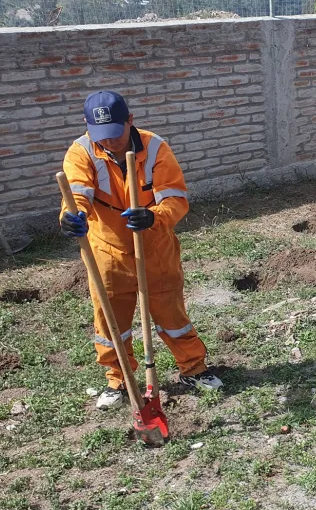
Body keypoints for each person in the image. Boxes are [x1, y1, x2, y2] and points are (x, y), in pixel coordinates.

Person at [60, 91, 223, 410]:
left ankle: (193, 368)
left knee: (172, 316)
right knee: (110, 323)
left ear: (130, 121)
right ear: (87, 126)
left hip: (155, 249)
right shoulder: (81, 152)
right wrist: (71, 217)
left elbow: (176, 200)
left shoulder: (156, 148)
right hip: (106, 253)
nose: (110, 143)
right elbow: (75, 195)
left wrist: (153, 216)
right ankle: (119, 380)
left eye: (116, 134)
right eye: (102, 136)